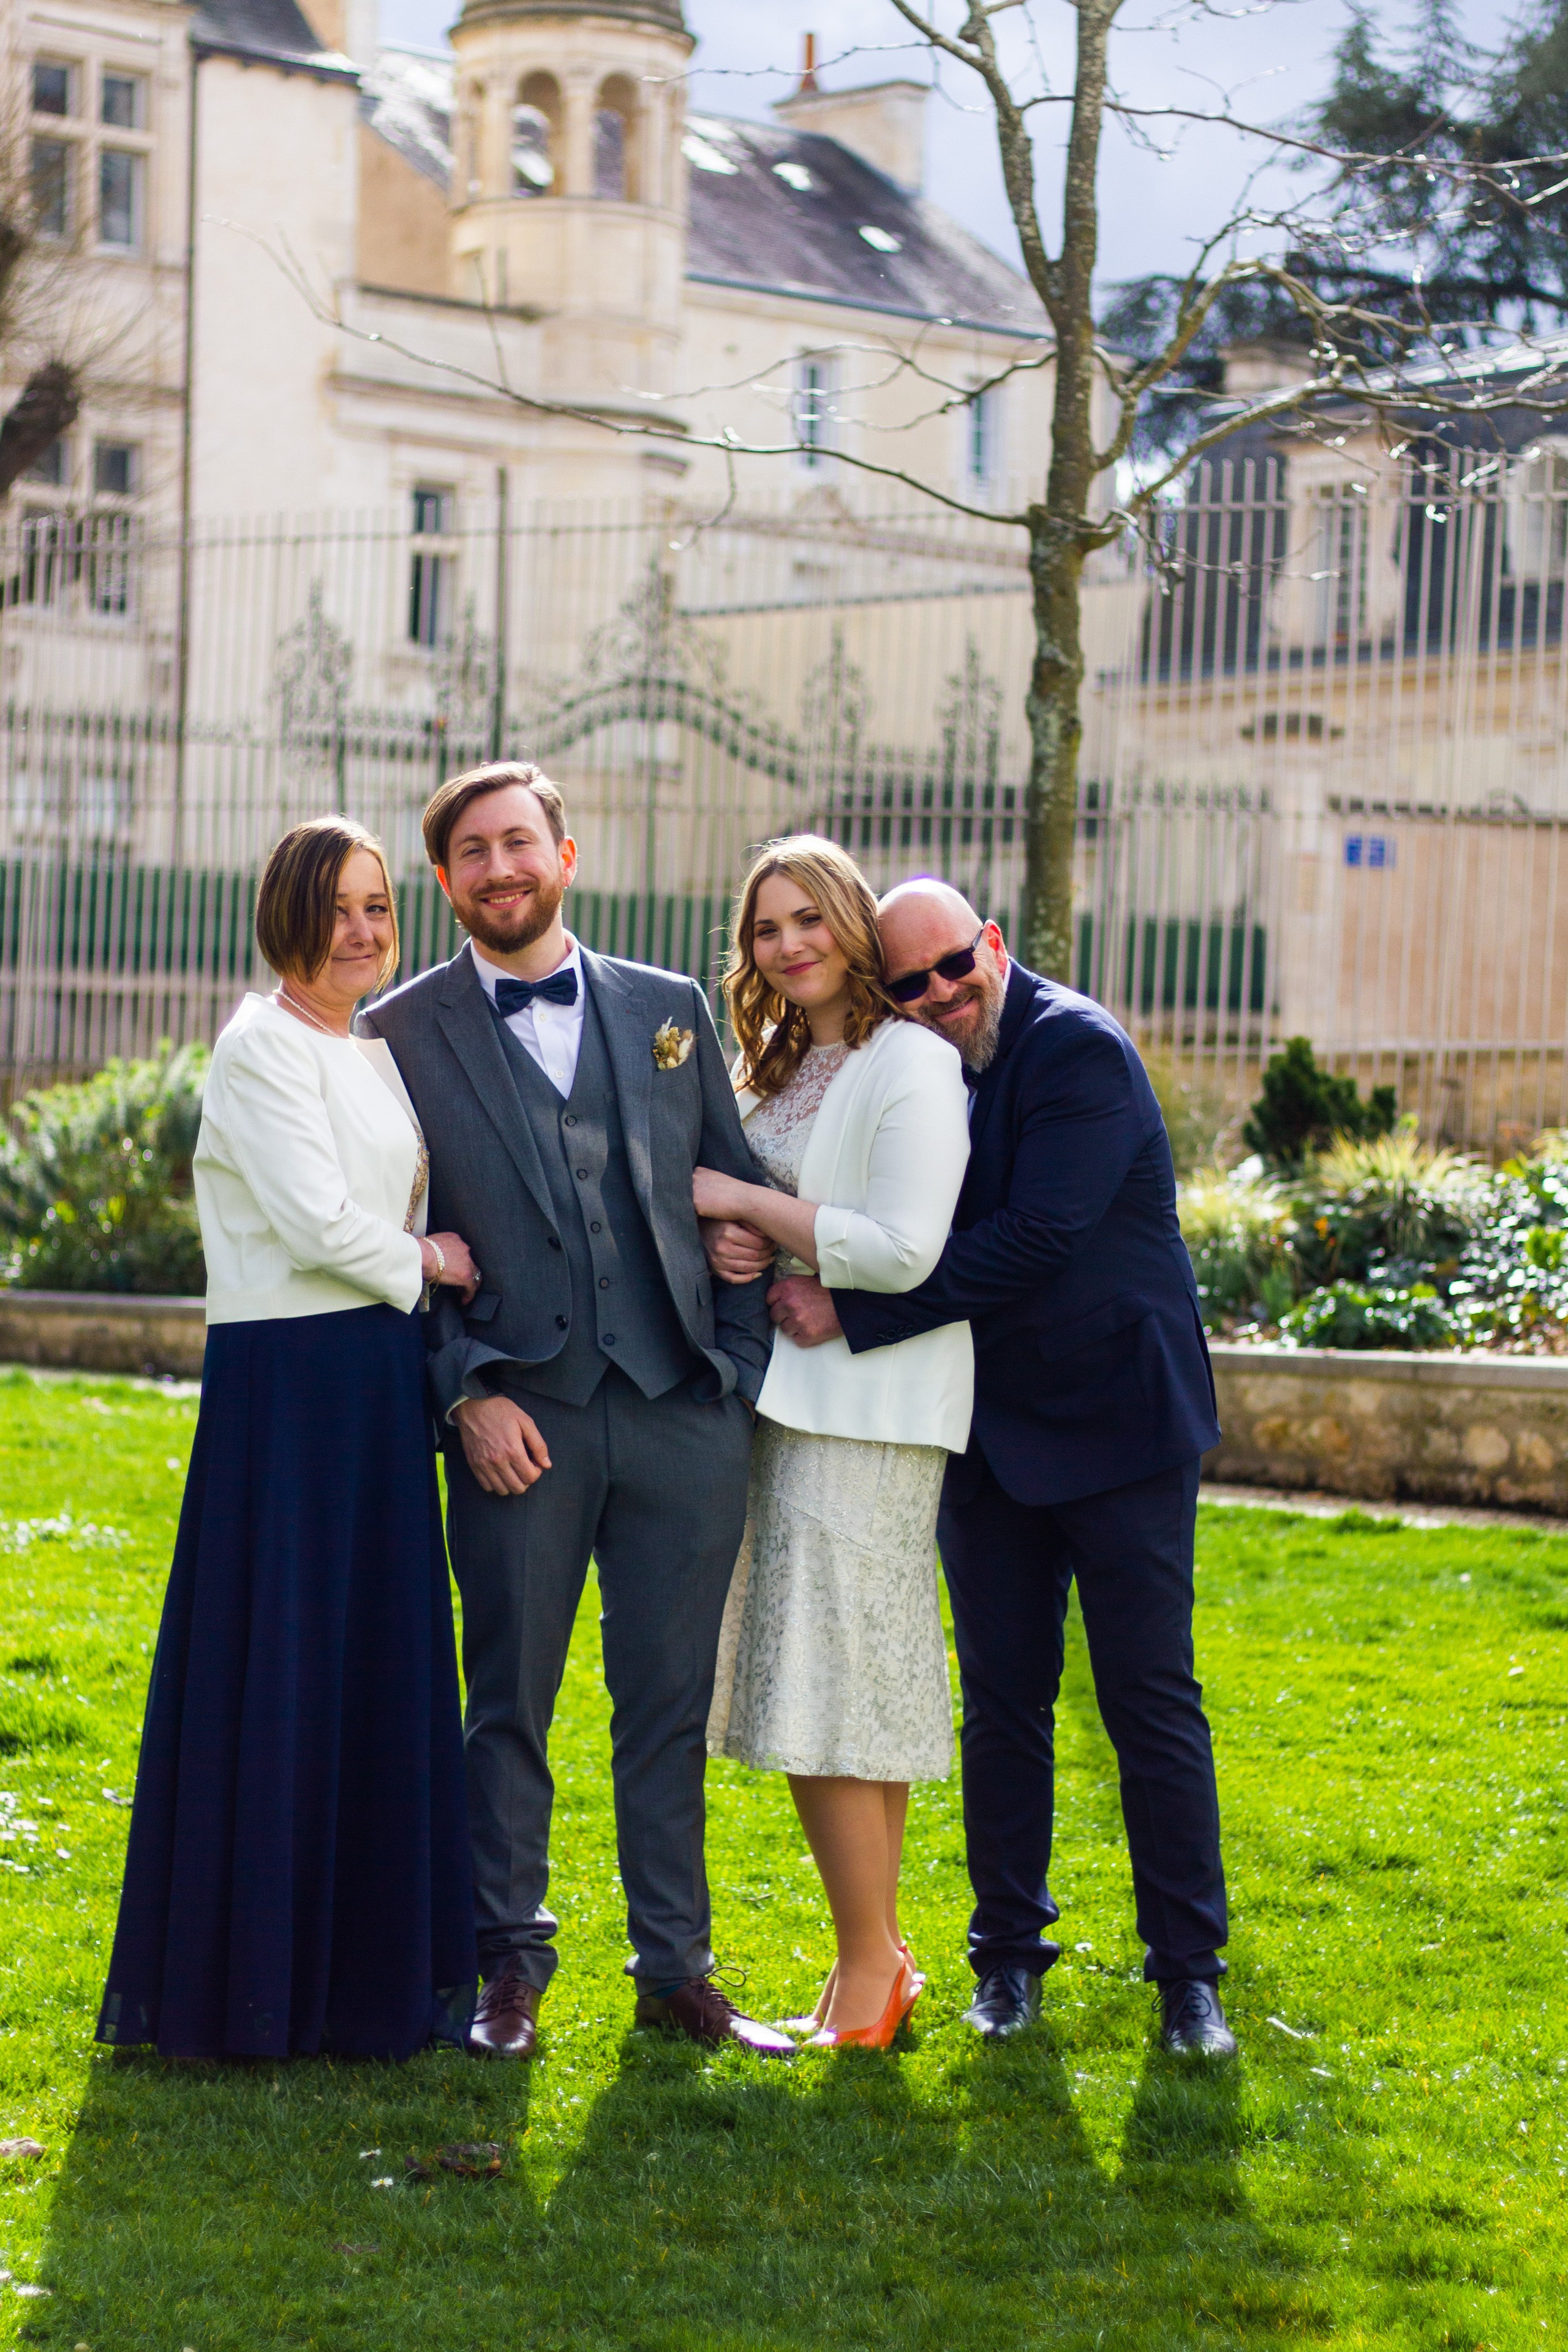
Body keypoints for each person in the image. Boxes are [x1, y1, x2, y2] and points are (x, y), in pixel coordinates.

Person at [739, 880, 1235, 2058]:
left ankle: (1190, 1981)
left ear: (993, 946)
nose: (938, 994)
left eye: (954, 967)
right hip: (992, 1431)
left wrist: (855, 1312)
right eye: (910, 982)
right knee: (1005, 1707)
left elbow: (1036, 1238)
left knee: (1148, 1702)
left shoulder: (1078, 1050)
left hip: (1119, 1424)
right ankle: (1006, 1964)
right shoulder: (916, 1058)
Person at [360, 761, 793, 2063]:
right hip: (521, 1424)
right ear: (445, 880)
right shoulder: (397, 1031)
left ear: (565, 854)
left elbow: (733, 1190)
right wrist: (467, 1393)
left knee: (666, 1707)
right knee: (508, 1704)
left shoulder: (668, 1008)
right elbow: (391, 1242)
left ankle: (676, 1973)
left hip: (679, 1411)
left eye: (517, 842)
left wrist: (732, 1371)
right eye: (471, 853)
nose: (498, 868)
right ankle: (508, 1969)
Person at [98, 818, 480, 2062]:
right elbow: (318, 1223)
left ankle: (366, 1977)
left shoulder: (367, 1047)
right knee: (287, 1662)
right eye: (337, 908)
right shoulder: (260, 1041)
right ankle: (260, 1980)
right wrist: (428, 1261)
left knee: (372, 1662)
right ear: (286, 916)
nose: (362, 931)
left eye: (378, 907)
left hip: (372, 1381)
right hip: (293, 1384)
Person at [695, 837, 971, 2048]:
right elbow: (768, 1216)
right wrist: (738, 1237)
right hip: (785, 1403)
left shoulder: (911, 1060)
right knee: (839, 1685)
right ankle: (877, 1959)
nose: (787, 944)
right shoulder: (775, 1064)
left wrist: (745, 1204)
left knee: (830, 1687)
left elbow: (904, 1247)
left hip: (866, 1414)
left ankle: (866, 1964)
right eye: (765, 928)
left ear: (852, 923)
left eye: (808, 918)